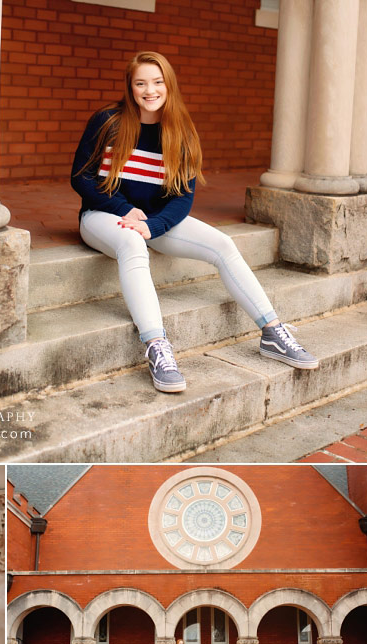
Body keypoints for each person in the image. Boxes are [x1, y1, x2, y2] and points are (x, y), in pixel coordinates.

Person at [71, 50, 318, 393]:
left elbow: (183, 199)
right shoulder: (108, 121)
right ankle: (157, 346)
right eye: (140, 83)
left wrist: (153, 226)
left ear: (169, 85)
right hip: (103, 216)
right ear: (130, 86)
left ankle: (273, 332)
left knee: (222, 244)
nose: (149, 90)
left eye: (157, 82)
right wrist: (123, 209)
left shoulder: (181, 131)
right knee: (131, 244)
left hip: (152, 221)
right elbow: (81, 178)